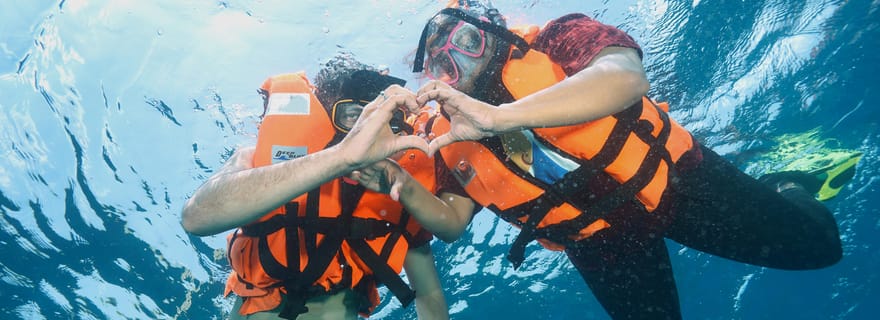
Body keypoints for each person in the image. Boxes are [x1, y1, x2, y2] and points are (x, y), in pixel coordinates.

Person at [349, 1, 853, 319]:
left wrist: (498, 119)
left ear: (492, 26)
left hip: (672, 182)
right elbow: (454, 222)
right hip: (600, 244)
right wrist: (398, 181)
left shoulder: (558, 35)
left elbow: (627, 79)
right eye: (442, 63)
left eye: (465, 40)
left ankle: (784, 182)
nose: (458, 61)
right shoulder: (448, 133)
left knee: (820, 247)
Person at [181, 55, 449, 320]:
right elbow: (196, 218)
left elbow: (430, 295)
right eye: (353, 117)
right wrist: (342, 157)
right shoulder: (256, 161)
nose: (367, 138)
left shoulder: (396, 189)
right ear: (324, 114)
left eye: (384, 124)